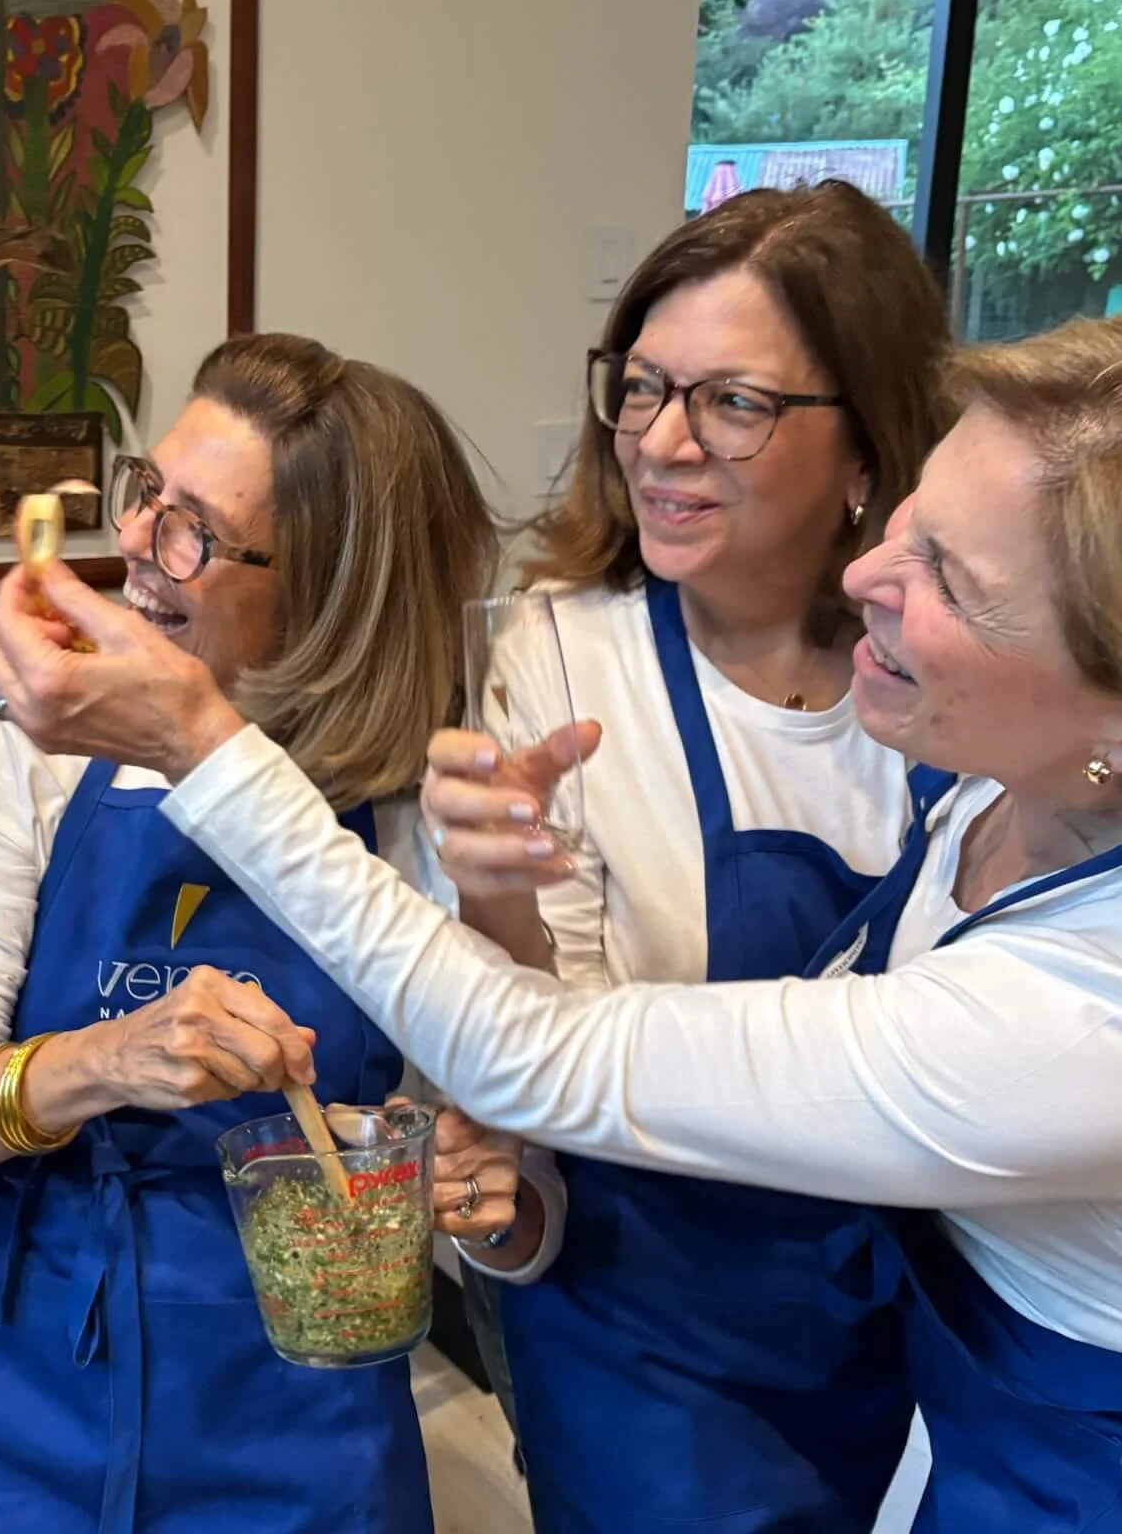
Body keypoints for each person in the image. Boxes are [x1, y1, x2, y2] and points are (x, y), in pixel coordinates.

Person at [0, 312, 1122, 1531]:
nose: (861, 576)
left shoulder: (1110, 1012)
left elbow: (530, 1058)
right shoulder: (997, 794)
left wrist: (195, 740)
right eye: (908, 522)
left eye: (952, 579)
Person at [0, 332, 526, 1533]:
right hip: (10, 1401)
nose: (133, 544)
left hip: (301, 1419)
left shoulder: (417, 806)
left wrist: (468, 1165)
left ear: (331, 593)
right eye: (148, 497)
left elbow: (504, 1104)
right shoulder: (33, 741)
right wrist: (111, 1058)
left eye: (196, 532)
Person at [435, 180, 951, 1530]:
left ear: (866, 448)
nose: (658, 442)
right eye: (643, 387)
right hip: (649, 1330)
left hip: (926, 1321)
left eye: (732, 402)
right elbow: (547, 1046)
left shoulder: (952, 684)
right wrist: (494, 896)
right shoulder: (568, 656)